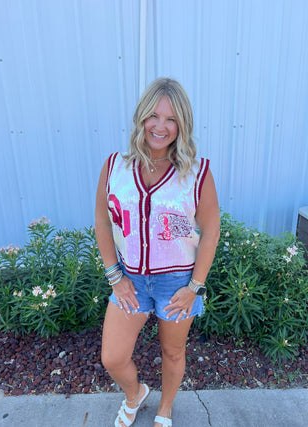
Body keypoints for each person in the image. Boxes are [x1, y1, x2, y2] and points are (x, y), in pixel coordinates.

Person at [95, 77, 220, 427]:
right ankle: (135, 394)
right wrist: (114, 276)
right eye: (153, 116)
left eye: (170, 119)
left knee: (173, 351)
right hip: (131, 279)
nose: (160, 127)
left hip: (177, 282)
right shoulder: (115, 166)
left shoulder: (198, 172)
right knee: (113, 357)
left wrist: (194, 286)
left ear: (182, 125)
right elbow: (104, 224)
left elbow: (210, 232)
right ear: (141, 118)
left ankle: (165, 408)